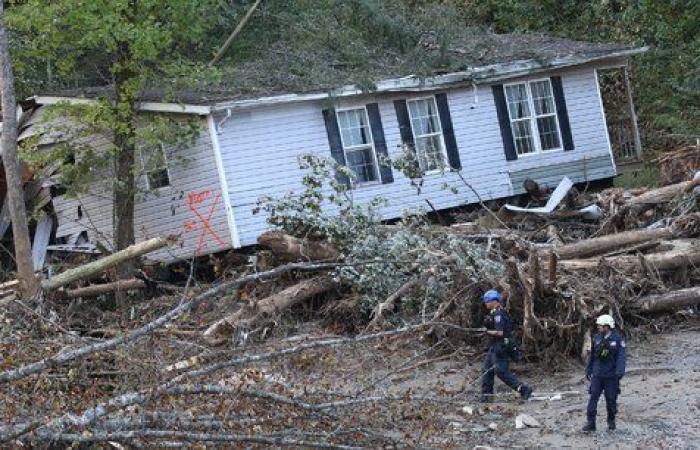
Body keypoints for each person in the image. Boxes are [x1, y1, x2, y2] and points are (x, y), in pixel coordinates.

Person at [480, 289, 532, 402]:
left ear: (494, 301)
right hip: (494, 346)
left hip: (501, 346)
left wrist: (487, 331)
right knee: (487, 370)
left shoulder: (499, 314)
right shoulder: (493, 313)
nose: (485, 303)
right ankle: (486, 396)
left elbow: (500, 333)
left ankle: (523, 389)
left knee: (501, 371)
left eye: (487, 301)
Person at [582, 314, 626, 432]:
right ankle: (591, 423)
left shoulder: (617, 340)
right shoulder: (596, 338)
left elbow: (621, 357)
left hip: (611, 376)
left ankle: (611, 421)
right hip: (597, 375)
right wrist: (589, 369)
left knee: (611, 400)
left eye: (601, 326)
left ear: (608, 326)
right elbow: (592, 356)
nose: (598, 327)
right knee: (593, 398)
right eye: (598, 325)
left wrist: (620, 371)